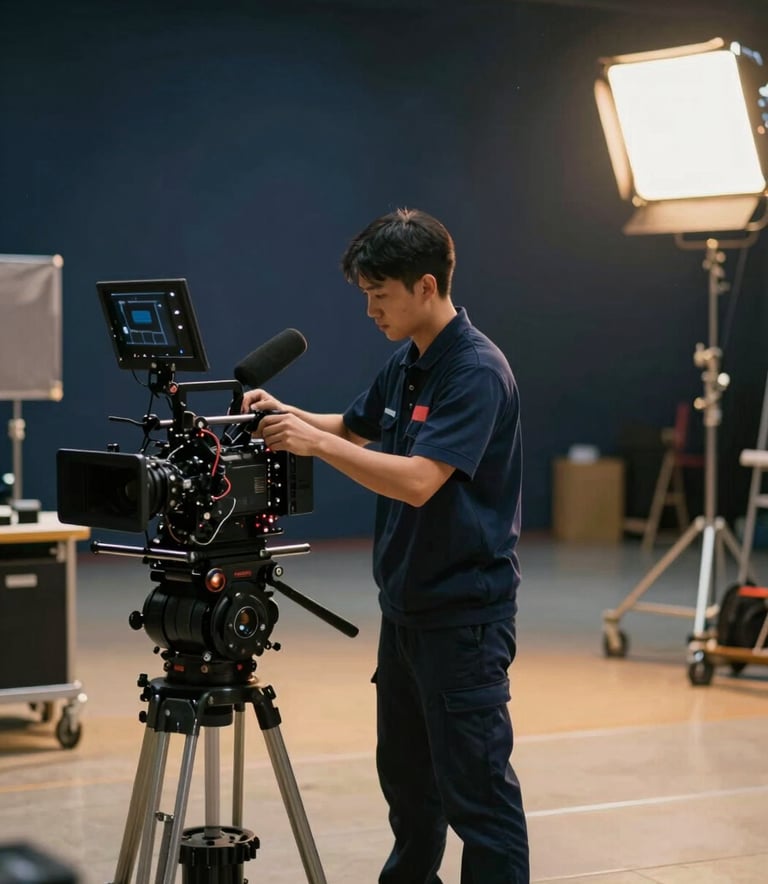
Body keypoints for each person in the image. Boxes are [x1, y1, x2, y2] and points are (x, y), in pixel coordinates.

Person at [242, 208, 529, 883]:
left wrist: (316, 445)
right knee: (409, 790)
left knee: (479, 801)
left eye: (380, 295)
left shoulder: (476, 371)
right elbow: (358, 425)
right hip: (406, 611)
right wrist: (285, 415)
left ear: (425, 286)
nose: (371, 309)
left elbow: (421, 481)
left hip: (464, 618)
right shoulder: (411, 361)